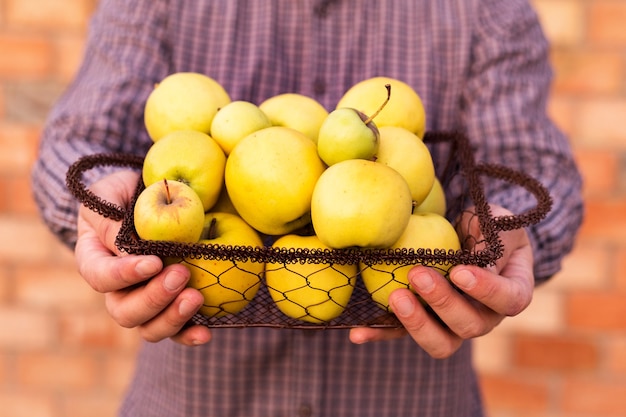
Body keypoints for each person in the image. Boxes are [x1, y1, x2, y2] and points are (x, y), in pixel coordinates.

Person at [31, 1, 584, 416]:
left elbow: (531, 165)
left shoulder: (486, 10)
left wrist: (502, 230)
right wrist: (100, 201)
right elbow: (77, 141)